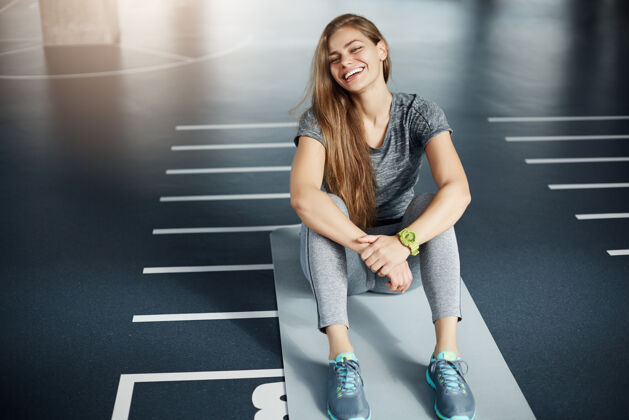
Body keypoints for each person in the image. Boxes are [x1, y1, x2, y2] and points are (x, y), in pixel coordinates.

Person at [289, 13, 476, 420]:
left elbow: (458, 190)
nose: (345, 63)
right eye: (334, 58)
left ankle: (446, 357)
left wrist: (403, 244)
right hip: (348, 263)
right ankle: (342, 358)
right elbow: (302, 196)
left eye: (355, 49)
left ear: (381, 49)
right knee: (325, 207)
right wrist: (372, 248)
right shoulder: (320, 120)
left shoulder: (418, 112)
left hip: (404, 267)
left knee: (433, 204)